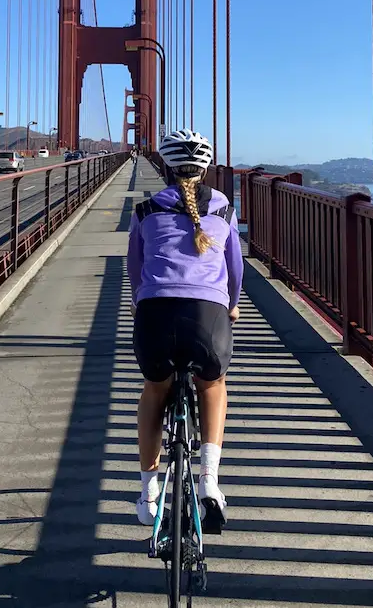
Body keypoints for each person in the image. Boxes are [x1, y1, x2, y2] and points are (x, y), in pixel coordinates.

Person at [127, 128, 243, 534]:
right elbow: (235, 271)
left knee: (155, 389)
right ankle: (209, 481)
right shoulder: (225, 211)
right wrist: (230, 307)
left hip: (155, 315)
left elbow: (135, 269)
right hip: (207, 316)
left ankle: (148, 496)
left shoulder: (144, 211)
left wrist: (140, 300)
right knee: (212, 384)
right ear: (205, 168)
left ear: (165, 166)